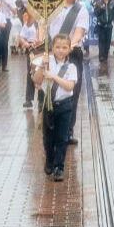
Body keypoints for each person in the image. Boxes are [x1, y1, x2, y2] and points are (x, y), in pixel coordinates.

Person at [46, 0, 91, 144]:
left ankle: (67, 131)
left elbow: (79, 32)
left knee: (72, 92)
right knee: (50, 89)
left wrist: (68, 47)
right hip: (53, 51)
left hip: (72, 53)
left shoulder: (81, 10)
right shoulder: (53, 8)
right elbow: (45, 27)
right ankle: (50, 126)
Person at [34, 33, 79, 181]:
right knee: (48, 137)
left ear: (69, 49)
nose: (60, 50)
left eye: (64, 47)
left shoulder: (71, 67)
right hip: (48, 105)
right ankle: (49, 159)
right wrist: (42, 66)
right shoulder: (46, 62)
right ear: (52, 48)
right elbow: (37, 80)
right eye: (58, 47)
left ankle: (59, 167)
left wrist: (53, 76)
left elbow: (69, 86)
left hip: (65, 105)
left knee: (62, 137)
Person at [93, 0, 114, 65]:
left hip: (109, 26)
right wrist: (101, 9)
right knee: (101, 41)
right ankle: (101, 56)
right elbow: (96, 13)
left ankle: (106, 56)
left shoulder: (112, 4)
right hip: (101, 25)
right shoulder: (99, 3)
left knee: (108, 42)